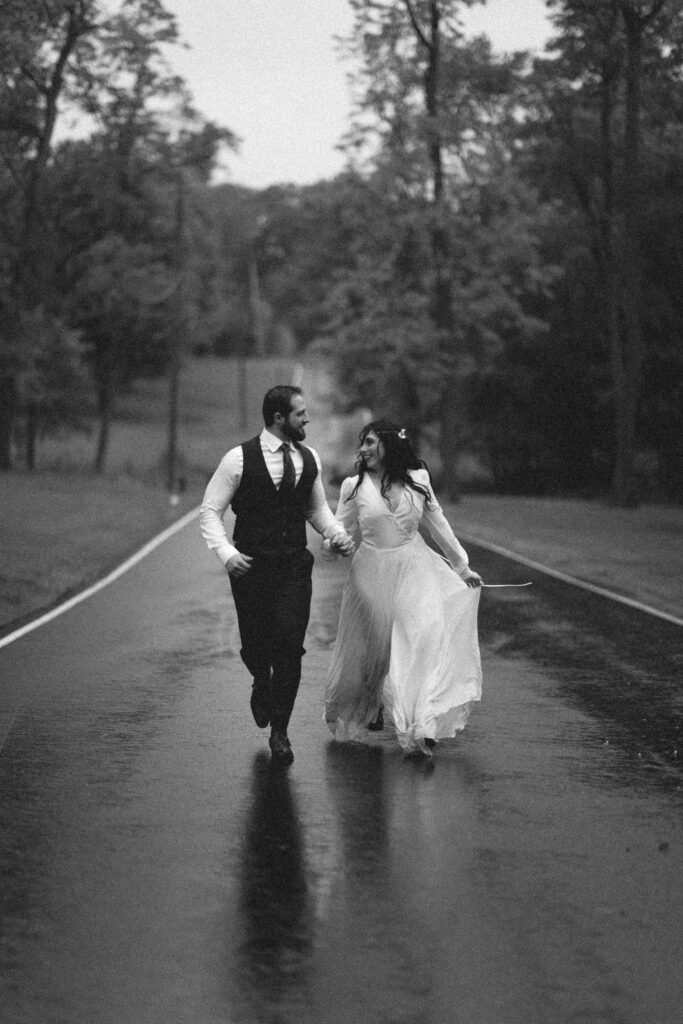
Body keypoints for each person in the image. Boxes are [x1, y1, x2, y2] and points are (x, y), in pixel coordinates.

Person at [200, 385, 354, 765]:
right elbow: (209, 512)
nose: (307, 419)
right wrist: (226, 553)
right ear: (279, 417)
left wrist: (335, 534)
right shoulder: (238, 460)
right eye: (301, 413)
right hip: (250, 568)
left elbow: (316, 510)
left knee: (289, 646)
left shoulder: (309, 458)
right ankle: (260, 679)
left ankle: (280, 731)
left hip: (293, 569)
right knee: (256, 645)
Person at [323, 420, 483, 756]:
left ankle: (421, 724)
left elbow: (438, 523)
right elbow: (338, 527)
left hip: (414, 568)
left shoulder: (419, 481)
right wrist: (332, 544)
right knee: (376, 653)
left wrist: (462, 565)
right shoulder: (354, 486)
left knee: (420, 640)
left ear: (389, 445)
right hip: (369, 574)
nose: (362, 449)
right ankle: (374, 699)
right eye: (361, 444)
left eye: (368, 442)